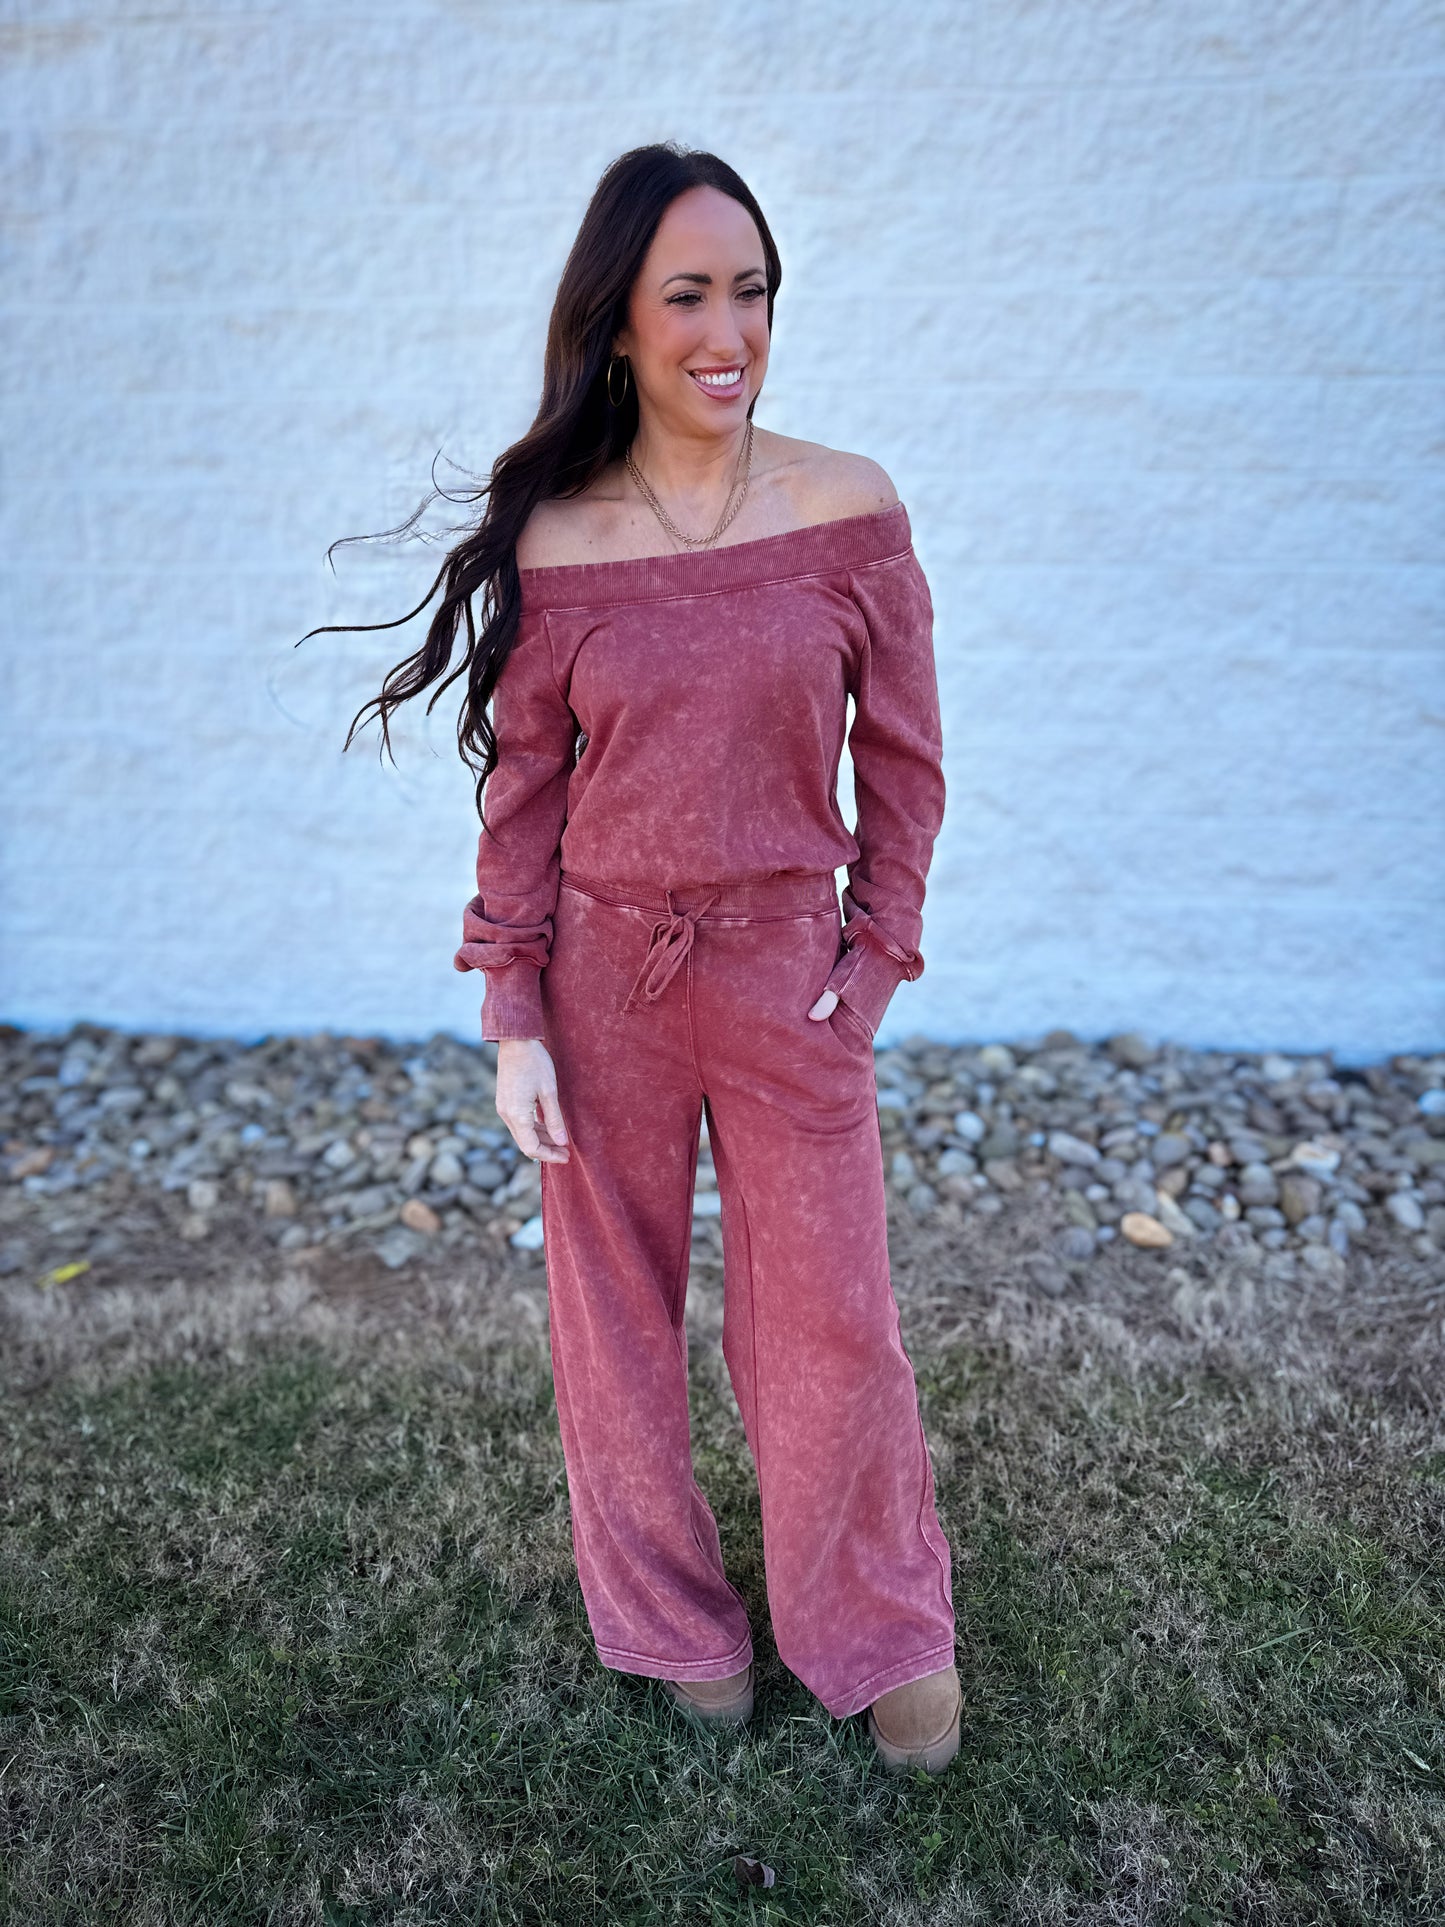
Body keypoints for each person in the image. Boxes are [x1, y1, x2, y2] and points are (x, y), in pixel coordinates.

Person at [318, 141, 960, 1775]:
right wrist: (510, 1007)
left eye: (750, 291)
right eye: (688, 294)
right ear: (617, 322)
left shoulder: (845, 507)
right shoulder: (561, 538)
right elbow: (524, 788)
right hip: (604, 980)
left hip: (782, 976)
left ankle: (871, 1626)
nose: (726, 328)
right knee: (614, 1324)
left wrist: (872, 959)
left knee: (834, 1331)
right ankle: (676, 1624)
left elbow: (904, 765)